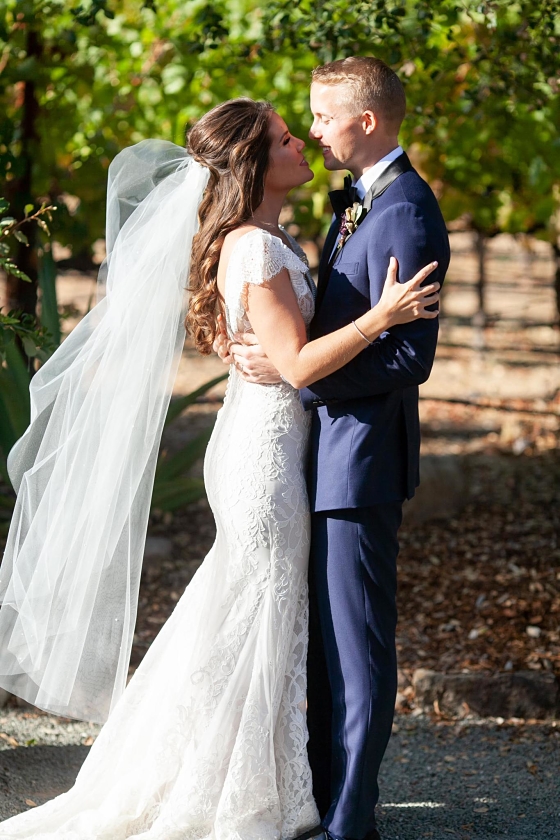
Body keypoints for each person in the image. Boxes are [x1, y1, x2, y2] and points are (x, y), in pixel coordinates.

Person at [0, 96, 439, 839]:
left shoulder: (264, 237)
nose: (301, 143)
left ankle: (241, 779)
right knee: (257, 612)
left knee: (245, 614)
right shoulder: (256, 247)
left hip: (267, 443)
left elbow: (279, 348)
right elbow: (298, 364)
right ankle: (229, 792)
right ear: (255, 163)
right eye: (285, 137)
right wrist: (381, 317)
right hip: (263, 458)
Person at [215, 58, 450, 840]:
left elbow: (409, 357)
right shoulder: (348, 206)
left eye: (319, 119)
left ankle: (350, 823)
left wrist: (296, 379)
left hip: (359, 463)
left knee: (355, 648)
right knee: (316, 647)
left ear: (368, 122)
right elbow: (301, 325)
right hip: (311, 460)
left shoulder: (406, 211)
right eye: (299, 126)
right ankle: (315, 796)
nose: (311, 134)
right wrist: (277, 355)